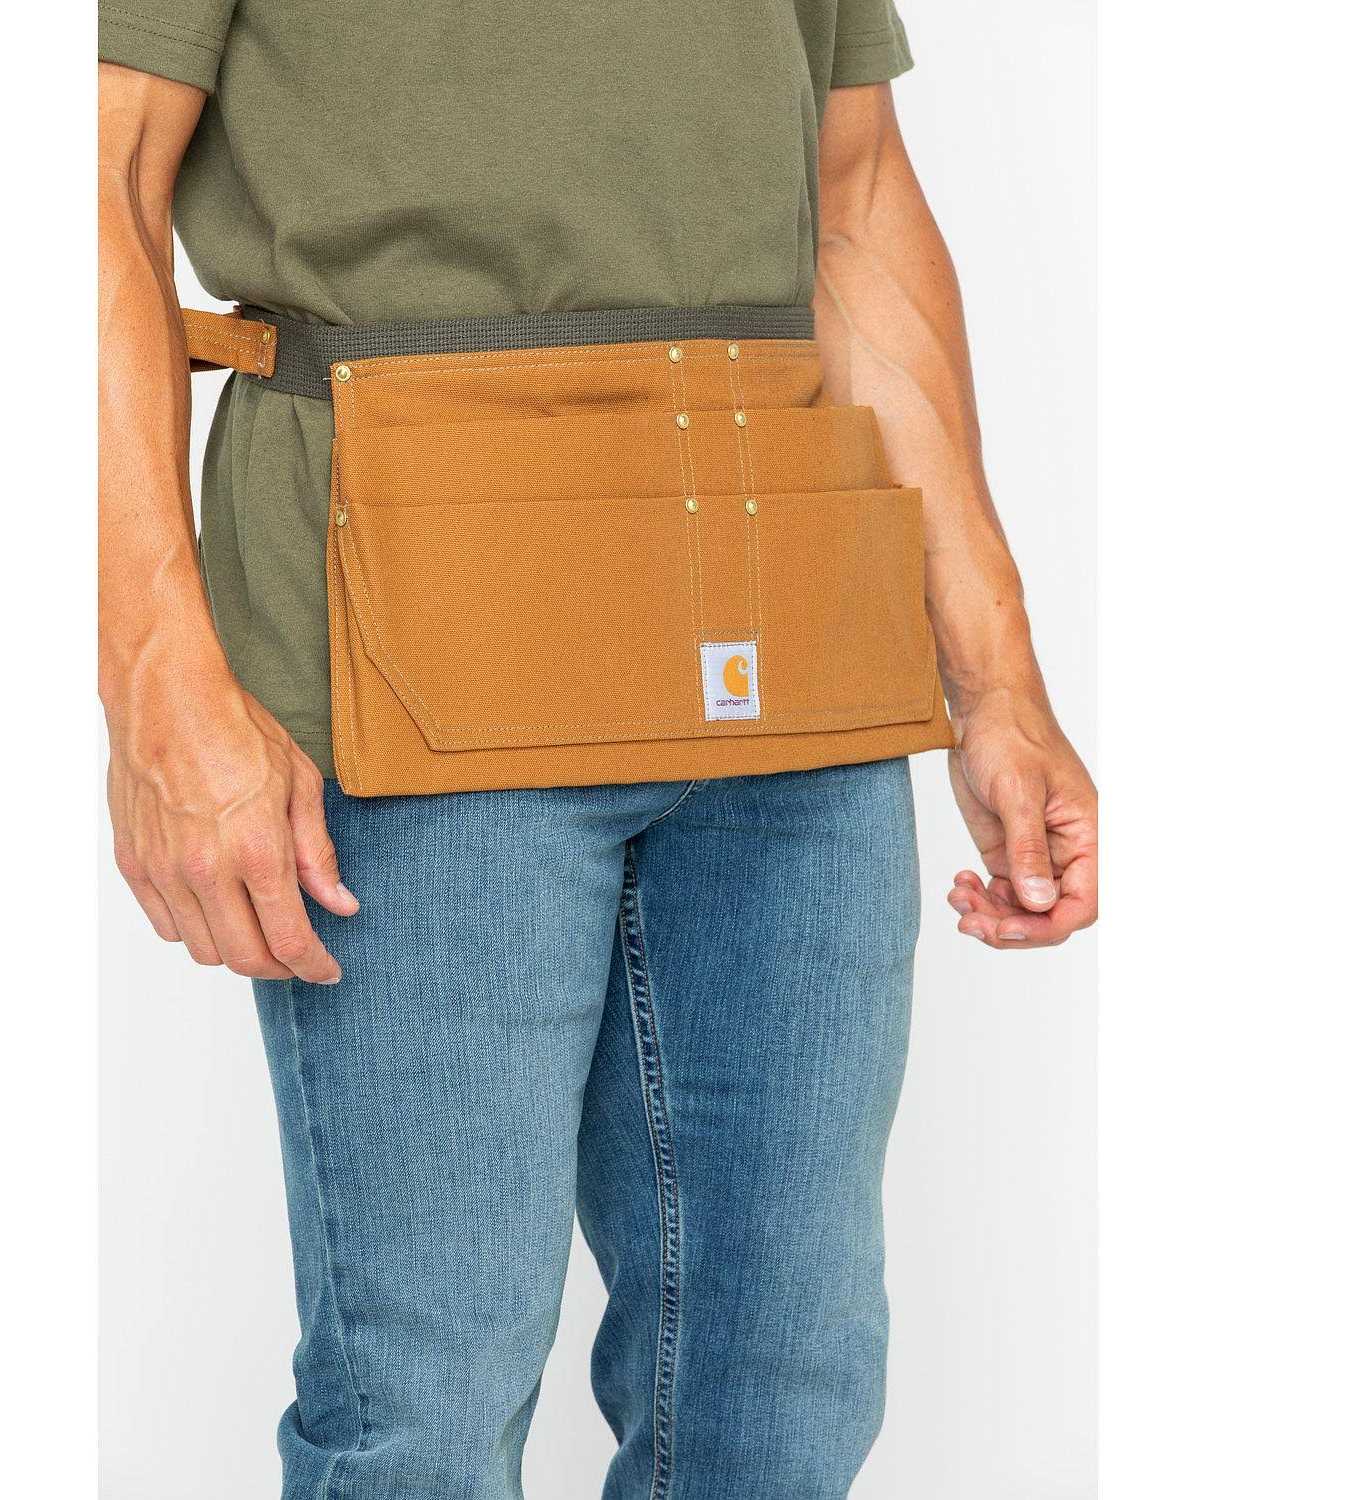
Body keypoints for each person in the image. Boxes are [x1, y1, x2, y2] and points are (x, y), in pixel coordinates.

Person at [98, 2, 1097, 1495]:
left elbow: (855, 195)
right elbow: (93, 183)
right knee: (424, 1417)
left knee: (783, 1394)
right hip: (412, 654)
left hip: (787, 639)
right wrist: (158, 691)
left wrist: (998, 679)